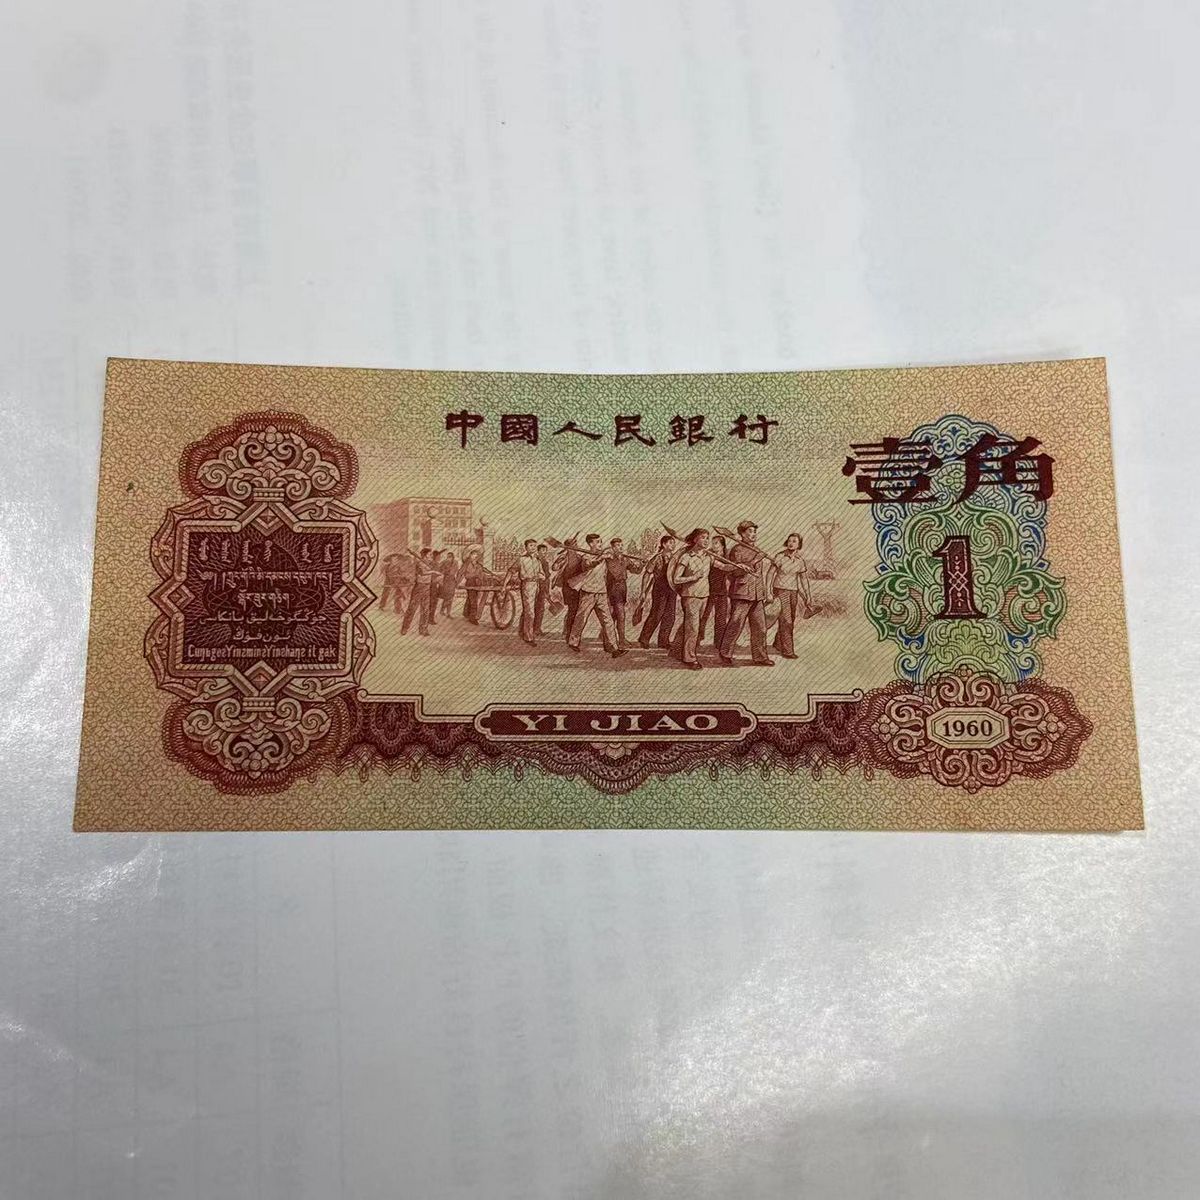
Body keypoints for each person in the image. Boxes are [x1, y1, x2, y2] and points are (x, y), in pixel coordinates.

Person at [719, 520, 773, 666]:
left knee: (760, 627)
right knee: (735, 624)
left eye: (754, 531)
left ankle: (760, 657)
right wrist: (754, 561)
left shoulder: (757, 550)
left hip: (757, 594)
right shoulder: (736, 550)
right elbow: (735, 572)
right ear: (742, 534)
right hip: (742, 593)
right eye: (750, 531)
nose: (753, 534)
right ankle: (725, 653)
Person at [567, 534, 624, 657]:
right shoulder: (586, 556)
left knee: (608, 620)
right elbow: (588, 565)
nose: (600, 544)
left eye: (601, 542)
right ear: (590, 544)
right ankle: (573, 642)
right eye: (597, 542)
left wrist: (613, 557)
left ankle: (613, 648)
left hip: (601, 592)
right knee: (581, 617)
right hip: (588, 591)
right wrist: (601, 557)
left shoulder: (605, 556)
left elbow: (615, 569)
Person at [669, 529, 718, 670]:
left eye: (707, 538)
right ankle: (689, 658)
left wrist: (738, 566)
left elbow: (723, 566)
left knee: (691, 625)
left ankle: (676, 650)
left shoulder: (708, 557)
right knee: (693, 628)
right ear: (695, 539)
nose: (706, 540)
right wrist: (693, 577)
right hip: (690, 596)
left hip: (704, 595)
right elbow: (676, 579)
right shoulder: (686, 557)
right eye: (703, 537)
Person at [772, 533, 812, 659]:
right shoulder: (780, 556)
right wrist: (768, 591)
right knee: (786, 620)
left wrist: (808, 596)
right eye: (789, 541)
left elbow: (804, 579)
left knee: (790, 619)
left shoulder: (800, 561)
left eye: (794, 541)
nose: (791, 543)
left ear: (799, 544)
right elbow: (770, 574)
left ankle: (778, 643)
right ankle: (788, 650)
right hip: (780, 590)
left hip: (793, 591)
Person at [636, 534, 679, 650]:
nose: (673, 545)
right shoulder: (657, 558)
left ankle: (663, 641)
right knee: (656, 614)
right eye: (670, 543)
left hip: (672, 589)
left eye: (674, 543)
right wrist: (643, 591)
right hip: (660, 589)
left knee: (670, 616)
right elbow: (647, 574)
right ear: (664, 544)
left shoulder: (675, 558)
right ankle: (644, 639)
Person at [605, 537, 644, 649]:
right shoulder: (610, 559)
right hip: (613, 587)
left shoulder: (624, 559)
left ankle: (608, 638)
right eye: (618, 545)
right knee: (619, 615)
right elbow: (615, 573)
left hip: (622, 587)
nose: (621, 547)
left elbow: (636, 570)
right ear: (612, 548)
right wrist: (621, 560)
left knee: (615, 614)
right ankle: (620, 640)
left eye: (621, 545)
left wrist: (641, 564)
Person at [699, 535, 731, 649]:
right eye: (712, 543)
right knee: (703, 616)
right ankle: (698, 639)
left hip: (722, 591)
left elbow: (729, 570)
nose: (713, 545)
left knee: (721, 617)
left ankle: (719, 642)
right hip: (708, 590)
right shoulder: (708, 554)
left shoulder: (727, 555)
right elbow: (724, 567)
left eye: (716, 543)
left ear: (722, 545)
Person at [401, 548, 439, 635]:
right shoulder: (419, 563)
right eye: (429, 554)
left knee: (425, 609)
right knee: (412, 608)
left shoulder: (430, 563)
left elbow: (435, 568)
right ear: (425, 555)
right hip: (419, 587)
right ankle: (405, 628)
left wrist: (434, 569)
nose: (431, 556)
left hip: (427, 587)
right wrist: (433, 571)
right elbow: (422, 573)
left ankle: (423, 629)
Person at [555, 537, 583, 642]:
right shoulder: (564, 557)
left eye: (576, 544)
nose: (577, 546)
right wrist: (559, 563)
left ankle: (569, 632)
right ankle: (568, 633)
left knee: (576, 610)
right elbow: (554, 567)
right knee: (572, 609)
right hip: (568, 587)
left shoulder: (579, 557)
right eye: (574, 544)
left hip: (578, 586)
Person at [517, 538, 542, 645]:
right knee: (530, 612)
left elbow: (542, 573)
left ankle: (523, 632)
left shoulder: (537, 560)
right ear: (526, 547)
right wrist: (533, 576)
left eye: (534, 546)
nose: (533, 547)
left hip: (536, 586)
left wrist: (541, 576)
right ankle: (528, 637)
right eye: (531, 545)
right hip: (527, 585)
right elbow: (522, 575)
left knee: (530, 610)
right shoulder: (522, 559)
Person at [534, 543, 554, 636]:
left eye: (545, 551)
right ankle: (534, 629)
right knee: (535, 609)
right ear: (538, 551)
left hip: (543, 587)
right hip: (537, 587)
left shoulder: (545, 562)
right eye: (542, 551)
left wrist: (547, 591)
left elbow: (547, 577)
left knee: (540, 609)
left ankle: (537, 629)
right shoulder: (535, 561)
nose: (544, 553)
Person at [462, 549, 485, 624]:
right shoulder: (467, 565)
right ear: (470, 556)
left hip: (477, 584)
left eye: (476, 555)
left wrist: (481, 579)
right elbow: (466, 576)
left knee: (471, 599)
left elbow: (481, 574)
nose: (475, 556)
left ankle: (466, 613)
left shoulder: (479, 565)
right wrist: (475, 575)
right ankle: (472, 618)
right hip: (470, 583)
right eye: (473, 554)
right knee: (473, 601)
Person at [438, 550, 459, 617]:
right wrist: (445, 571)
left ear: (453, 557)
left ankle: (446, 612)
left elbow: (455, 571)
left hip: (452, 581)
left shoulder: (455, 562)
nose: (449, 558)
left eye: (450, 557)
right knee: (447, 597)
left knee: (450, 597)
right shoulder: (444, 562)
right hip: (446, 581)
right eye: (448, 557)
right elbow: (439, 569)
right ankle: (445, 612)